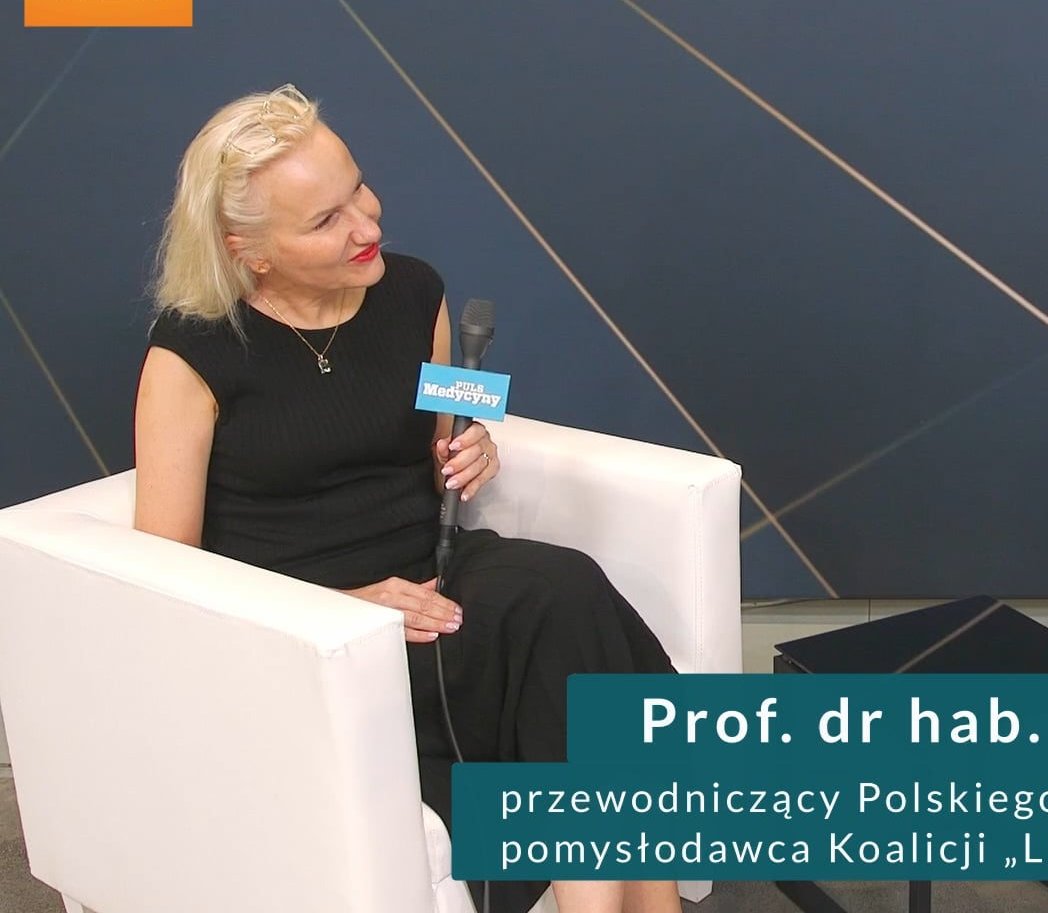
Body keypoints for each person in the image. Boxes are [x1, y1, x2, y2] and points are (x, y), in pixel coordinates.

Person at [132, 84, 683, 913]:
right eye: (326, 220)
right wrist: (342, 610)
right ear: (250, 250)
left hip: (437, 573)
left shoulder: (417, 292)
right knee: (566, 679)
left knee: (563, 591)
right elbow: (160, 579)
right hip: (307, 631)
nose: (367, 226)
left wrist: (472, 447)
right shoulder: (190, 353)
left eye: (358, 188)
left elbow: (437, 447)